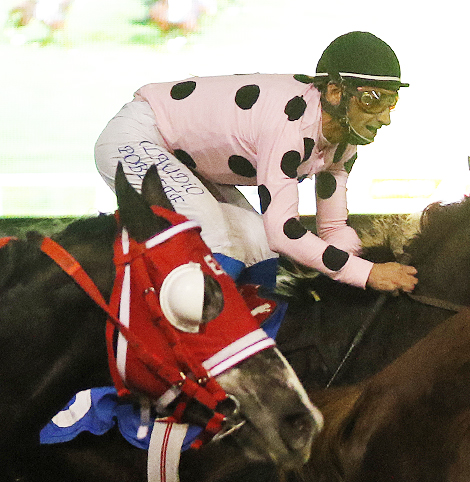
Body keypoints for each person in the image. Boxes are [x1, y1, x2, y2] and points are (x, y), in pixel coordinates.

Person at [93, 29, 418, 296]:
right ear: (334, 91)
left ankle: (258, 335)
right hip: (137, 137)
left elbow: (333, 229)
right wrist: (367, 273)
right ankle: (200, 339)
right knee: (215, 232)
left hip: (180, 156)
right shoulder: (289, 124)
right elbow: (283, 232)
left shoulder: (343, 144)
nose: (385, 118)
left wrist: (360, 276)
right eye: (372, 99)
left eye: (391, 102)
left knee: (258, 244)